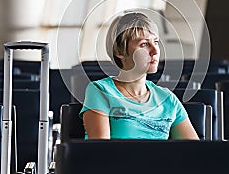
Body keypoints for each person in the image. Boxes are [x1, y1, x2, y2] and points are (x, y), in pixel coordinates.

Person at [79, 12, 199, 140]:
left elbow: (195, 153)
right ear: (120, 52)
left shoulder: (168, 99)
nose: (155, 51)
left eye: (156, 42)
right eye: (144, 44)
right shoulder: (100, 91)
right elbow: (100, 153)